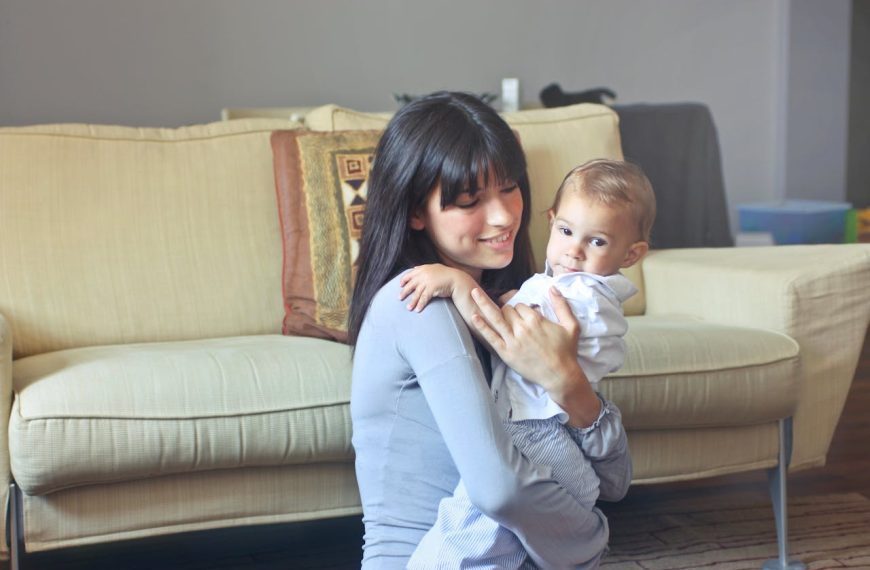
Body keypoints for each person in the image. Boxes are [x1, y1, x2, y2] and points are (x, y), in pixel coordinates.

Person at [348, 91, 632, 569]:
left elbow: (616, 480)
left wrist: (567, 382)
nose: (503, 217)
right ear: (417, 212)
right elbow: (499, 490)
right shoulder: (416, 303)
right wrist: (591, 539)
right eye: (469, 201)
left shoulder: (522, 307)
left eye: (508, 187)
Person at [398, 159, 656, 569]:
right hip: (554, 437)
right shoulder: (567, 288)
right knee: (504, 544)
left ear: (632, 254)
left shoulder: (581, 295)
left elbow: (504, 337)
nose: (574, 250)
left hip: (536, 432)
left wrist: (459, 282)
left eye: (598, 242)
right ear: (551, 221)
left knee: (468, 530)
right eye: (567, 231)